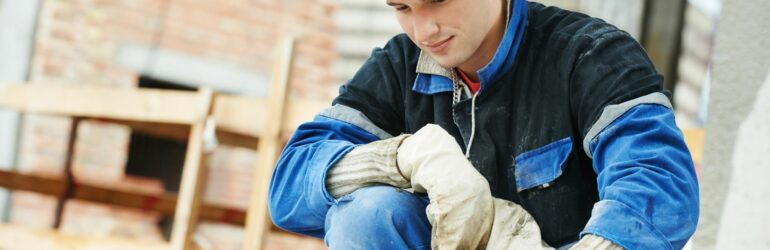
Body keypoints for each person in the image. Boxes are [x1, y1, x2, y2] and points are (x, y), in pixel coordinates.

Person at [268, 0, 700, 249]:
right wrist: (403, 159)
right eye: (402, 6)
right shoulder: (398, 67)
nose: (424, 29)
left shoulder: (592, 55)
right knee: (365, 216)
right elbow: (289, 187)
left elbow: (657, 183)